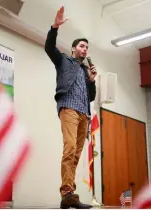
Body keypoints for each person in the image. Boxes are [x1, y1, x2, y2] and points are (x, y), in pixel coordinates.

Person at [44, 5, 97, 209]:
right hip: (68, 108)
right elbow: (49, 48)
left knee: (75, 155)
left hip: (84, 113)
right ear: (74, 48)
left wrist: (92, 81)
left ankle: (69, 195)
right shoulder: (64, 60)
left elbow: (91, 98)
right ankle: (67, 191)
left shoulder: (86, 72)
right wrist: (54, 27)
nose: (85, 49)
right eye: (82, 46)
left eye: (87, 47)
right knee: (70, 147)